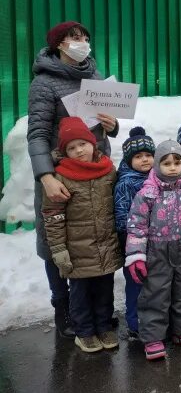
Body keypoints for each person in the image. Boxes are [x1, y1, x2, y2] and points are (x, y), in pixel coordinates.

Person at [27, 21, 119, 338]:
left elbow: (100, 127)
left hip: (95, 172)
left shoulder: (93, 77)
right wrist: (46, 176)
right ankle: (62, 309)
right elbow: (38, 134)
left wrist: (113, 124)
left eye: (84, 38)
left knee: (92, 237)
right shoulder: (44, 83)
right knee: (57, 243)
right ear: (58, 45)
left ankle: (95, 311)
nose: (81, 42)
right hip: (61, 175)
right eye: (73, 38)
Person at [124, 140, 181, 361]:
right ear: (156, 165)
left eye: (177, 162)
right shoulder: (147, 193)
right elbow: (136, 224)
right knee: (156, 293)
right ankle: (153, 337)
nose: (173, 167)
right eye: (166, 163)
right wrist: (136, 254)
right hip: (157, 249)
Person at [42, 117, 121, 353]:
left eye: (82, 144)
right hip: (77, 250)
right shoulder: (60, 177)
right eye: (71, 148)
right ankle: (84, 332)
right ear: (64, 152)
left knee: (105, 291)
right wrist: (59, 250)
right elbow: (53, 217)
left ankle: (104, 326)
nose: (78, 151)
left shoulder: (108, 170)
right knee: (80, 295)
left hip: (105, 245)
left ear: (93, 144)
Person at [113, 127, 156, 337]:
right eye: (138, 156)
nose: (145, 160)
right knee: (136, 284)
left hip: (158, 243)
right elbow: (122, 218)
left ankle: (155, 320)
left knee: (155, 284)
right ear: (129, 160)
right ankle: (135, 323)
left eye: (149, 155)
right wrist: (128, 243)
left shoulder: (159, 179)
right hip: (134, 245)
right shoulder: (126, 183)